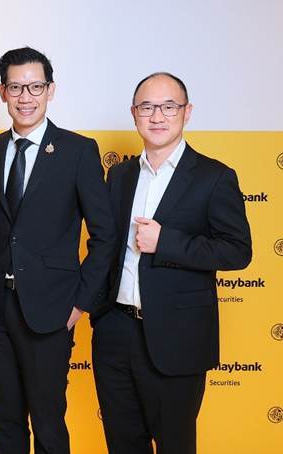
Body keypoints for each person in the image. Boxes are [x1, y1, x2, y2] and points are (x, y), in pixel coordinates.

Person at [0, 47, 116, 454]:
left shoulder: (78, 151)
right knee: (4, 420)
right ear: (2, 92)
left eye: (35, 87)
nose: (25, 97)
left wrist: (80, 304)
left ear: (50, 90)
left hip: (51, 309)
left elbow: (105, 236)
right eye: (16, 87)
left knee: (48, 423)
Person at [91, 72, 252, 454]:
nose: (157, 116)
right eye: (147, 107)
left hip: (178, 338)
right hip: (115, 332)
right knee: (122, 445)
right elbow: (105, 246)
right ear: (134, 114)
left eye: (168, 107)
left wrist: (166, 243)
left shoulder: (214, 177)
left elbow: (237, 250)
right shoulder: (120, 175)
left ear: (187, 112)